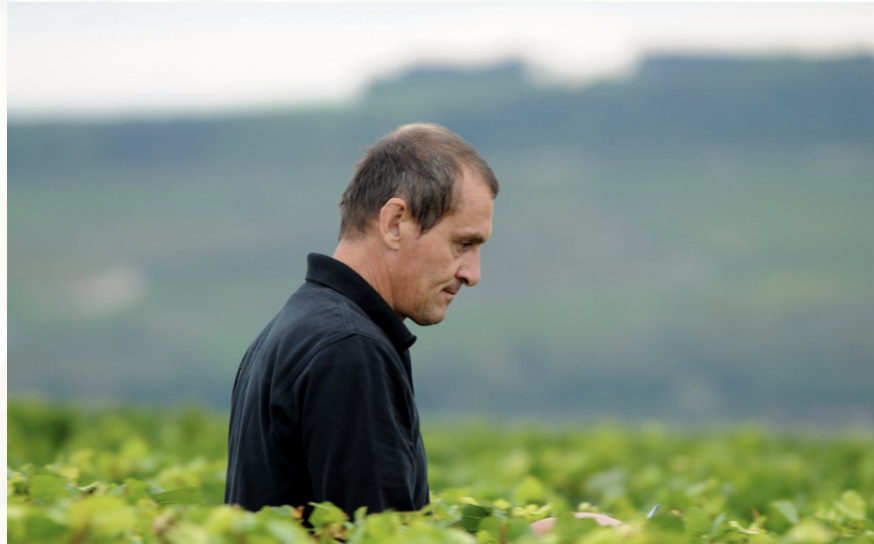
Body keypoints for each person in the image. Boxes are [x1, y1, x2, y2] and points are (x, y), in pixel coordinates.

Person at [224, 123, 499, 520]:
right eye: (464, 243)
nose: (472, 274)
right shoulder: (350, 349)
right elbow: (381, 535)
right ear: (394, 223)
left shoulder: (297, 327)